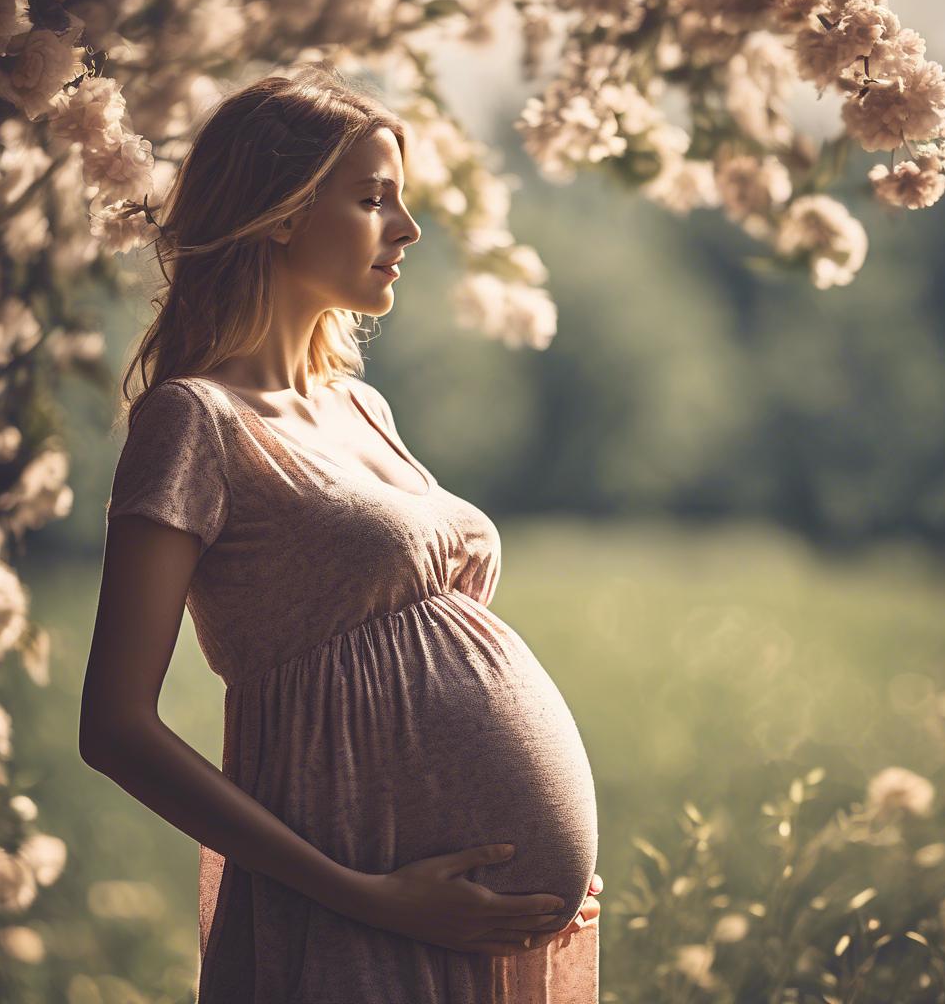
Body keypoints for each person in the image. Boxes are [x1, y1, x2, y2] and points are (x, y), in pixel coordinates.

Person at [80, 63, 602, 1003]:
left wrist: (541, 875)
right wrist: (370, 897)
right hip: (353, 920)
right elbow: (114, 727)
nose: (406, 230)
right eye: (373, 200)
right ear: (280, 213)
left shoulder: (361, 407)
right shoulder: (194, 421)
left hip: (473, 928)